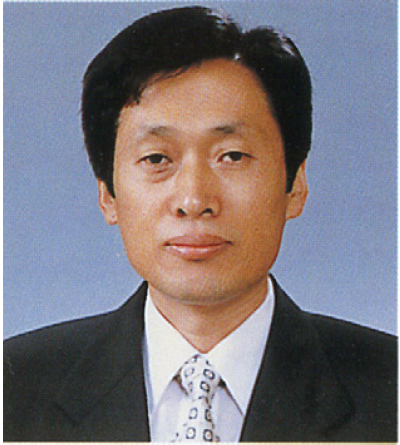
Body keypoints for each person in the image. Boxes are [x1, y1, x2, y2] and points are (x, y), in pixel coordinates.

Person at [4, 6, 396, 442]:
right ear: (108, 194)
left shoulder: (389, 389)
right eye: (157, 158)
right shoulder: (14, 388)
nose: (194, 201)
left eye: (233, 156)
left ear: (295, 185)